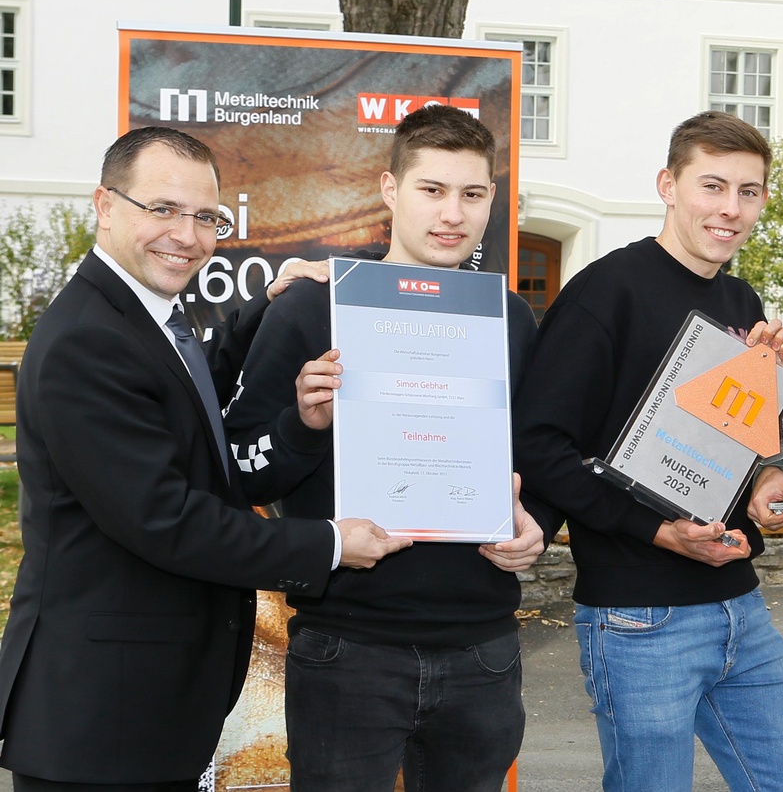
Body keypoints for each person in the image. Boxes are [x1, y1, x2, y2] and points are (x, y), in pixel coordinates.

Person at [0, 127, 411, 791]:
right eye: (161, 209)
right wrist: (329, 543)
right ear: (105, 205)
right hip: (101, 721)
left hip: (139, 708)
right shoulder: (87, 341)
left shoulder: (144, 313)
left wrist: (264, 308)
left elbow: (190, 397)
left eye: (204, 216)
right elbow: (165, 519)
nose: (186, 235)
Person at [219, 105, 548, 792]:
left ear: (492, 200)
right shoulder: (312, 308)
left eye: (472, 193)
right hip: (350, 647)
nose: (451, 212)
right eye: (431, 189)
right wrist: (303, 423)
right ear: (389, 189)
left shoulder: (509, 318)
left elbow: (538, 459)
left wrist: (535, 525)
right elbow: (241, 468)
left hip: (482, 646)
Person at [514, 111, 783, 792]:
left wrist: (765, 483)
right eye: (712, 186)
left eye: (749, 191)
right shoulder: (604, 291)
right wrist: (657, 531)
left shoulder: (741, 297)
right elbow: (538, 445)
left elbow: (733, 442)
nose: (730, 208)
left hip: (740, 603)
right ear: (668, 185)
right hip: (638, 616)